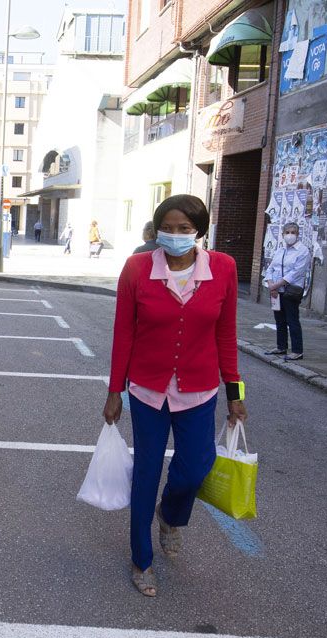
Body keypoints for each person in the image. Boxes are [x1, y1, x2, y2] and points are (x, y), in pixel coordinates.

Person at [103, 194, 247, 598]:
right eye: (168, 227)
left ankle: (171, 515)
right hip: (147, 391)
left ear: (199, 231)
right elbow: (123, 334)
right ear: (157, 229)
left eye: (185, 229)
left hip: (199, 391)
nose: (176, 235)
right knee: (146, 475)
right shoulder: (136, 268)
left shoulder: (223, 268)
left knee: (196, 468)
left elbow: (226, 333)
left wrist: (235, 392)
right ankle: (142, 559)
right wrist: (115, 391)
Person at [262, 223, 312, 361]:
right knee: (279, 319)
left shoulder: (303, 251)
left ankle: (297, 350)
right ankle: (281, 346)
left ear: (297, 234)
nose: (290, 235)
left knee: (292, 320)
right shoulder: (280, 250)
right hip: (276, 291)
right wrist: (271, 284)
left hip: (291, 292)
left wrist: (276, 285)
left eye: (293, 232)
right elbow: (271, 268)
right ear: (283, 234)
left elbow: (295, 273)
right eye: (288, 232)